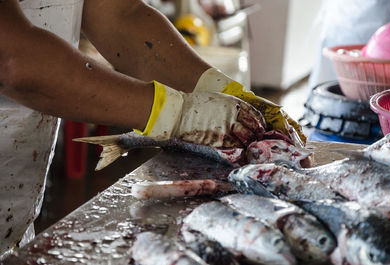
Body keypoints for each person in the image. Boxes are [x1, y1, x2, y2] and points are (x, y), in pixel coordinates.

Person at [0, 0, 304, 259]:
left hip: (16, 211)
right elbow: (11, 57)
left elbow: (121, 15)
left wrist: (222, 90)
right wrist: (177, 112)